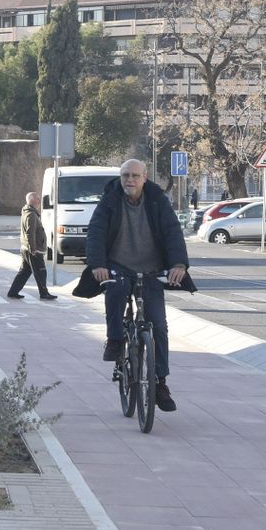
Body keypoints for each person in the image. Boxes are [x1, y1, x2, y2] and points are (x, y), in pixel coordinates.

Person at [85, 159, 189, 413]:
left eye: (134, 176)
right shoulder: (110, 200)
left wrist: (179, 264)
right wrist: (98, 264)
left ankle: (160, 382)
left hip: (151, 269)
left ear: (145, 177)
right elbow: (96, 232)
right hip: (118, 266)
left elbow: (172, 232)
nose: (129, 180)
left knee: (159, 326)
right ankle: (115, 340)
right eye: (125, 175)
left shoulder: (157, 201)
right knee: (116, 291)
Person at [6, 191, 57, 301]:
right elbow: (30, 233)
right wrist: (33, 248)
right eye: (38, 199)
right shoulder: (31, 214)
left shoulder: (28, 212)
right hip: (33, 250)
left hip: (27, 248)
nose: (39, 201)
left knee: (24, 272)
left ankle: (13, 292)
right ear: (33, 200)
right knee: (41, 271)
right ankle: (44, 293)